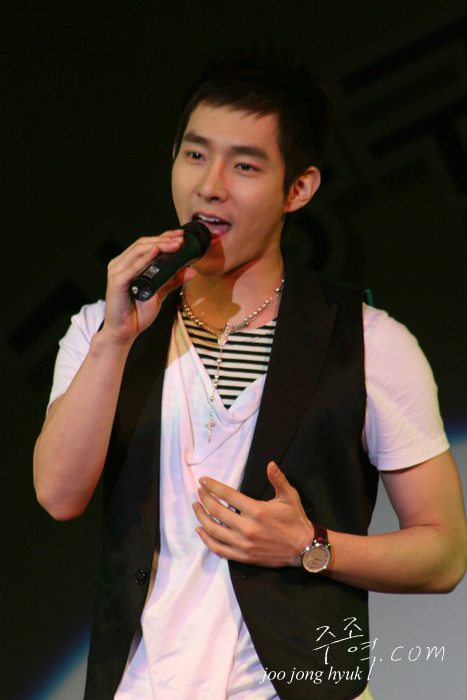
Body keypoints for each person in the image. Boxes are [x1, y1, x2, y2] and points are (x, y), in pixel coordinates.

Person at [33, 47, 467, 700]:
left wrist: (308, 546)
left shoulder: (368, 342)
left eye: (245, 165)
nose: (210, 185)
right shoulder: (104, 329)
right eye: (195, 154)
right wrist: (114, 340)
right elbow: (58, 495)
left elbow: (443, 554)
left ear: (299, 189)